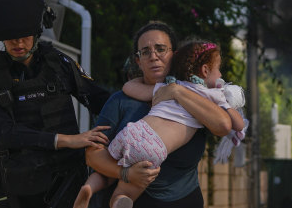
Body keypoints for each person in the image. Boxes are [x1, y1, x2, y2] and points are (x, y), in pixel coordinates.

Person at [75, 40, 245, 208]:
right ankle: (120, 199)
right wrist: (229, 105)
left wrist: (139, 82)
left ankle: (89, 188)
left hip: (134, 131)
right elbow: (236, 124)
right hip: (154, 147)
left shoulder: (170, 86)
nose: (221, 75)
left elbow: (130, 88)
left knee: (110, 168)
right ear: (206, 70)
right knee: (129, 188)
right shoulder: (214, 96)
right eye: (219, 70)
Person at [0, 0, 111, 208]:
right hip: (17, 189)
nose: (17, 42)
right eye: (10, 35)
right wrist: (68, 140)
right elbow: (5, 133)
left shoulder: (60, 64)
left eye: (25, 34)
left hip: (67, 182)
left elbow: (99, 99)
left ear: (37, 32)